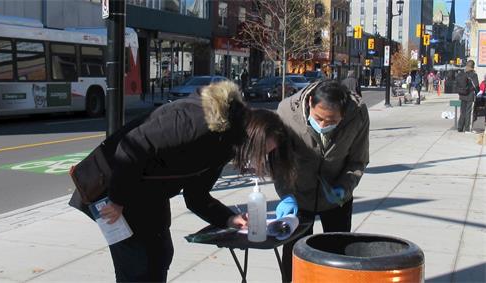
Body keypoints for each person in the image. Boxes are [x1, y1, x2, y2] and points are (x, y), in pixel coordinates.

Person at [97, 81, 295, 282]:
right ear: (252, 136)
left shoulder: (226, 144)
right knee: (137, 264)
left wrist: (229, 219)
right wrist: (117, 200)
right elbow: (131, 147)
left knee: (160, 255)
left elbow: (196, 196)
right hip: (111, 186)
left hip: (148, 192)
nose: (258, 159)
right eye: (259, 151)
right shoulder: (196, 121)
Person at [273, 80, 370, 282]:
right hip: (298, 195)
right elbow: (278, 161)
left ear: (343, 115)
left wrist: (345, 187)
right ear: (309, 102)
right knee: (294, 259)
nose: (324, 125)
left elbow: (357, 160)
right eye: (318, 118)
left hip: (335, 198)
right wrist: (286, 195)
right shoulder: (286, 113)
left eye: (332, 121)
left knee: (336, 256)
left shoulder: (358, 115)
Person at [457, 60, 479, 133]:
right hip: (470, 95)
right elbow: (476, 86)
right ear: (473, 66)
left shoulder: (463, 73)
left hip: (462, 95)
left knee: (462, 111)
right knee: (469, 112)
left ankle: (460, 127)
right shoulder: (473, 74)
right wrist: (477, 92)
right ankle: (467, 129)